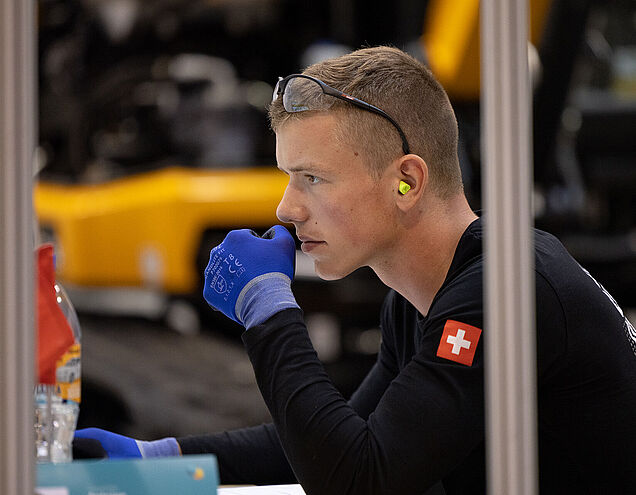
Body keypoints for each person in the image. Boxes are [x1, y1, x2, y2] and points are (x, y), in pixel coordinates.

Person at [74, 46, 636, 494]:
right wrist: (159, 459)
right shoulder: (419, 296)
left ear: (406, 182)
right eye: (288, 177)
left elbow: (360, 480)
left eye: (312, 178)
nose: (286, 208)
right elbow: (333, 445)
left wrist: (268, 307)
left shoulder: (505, 288)